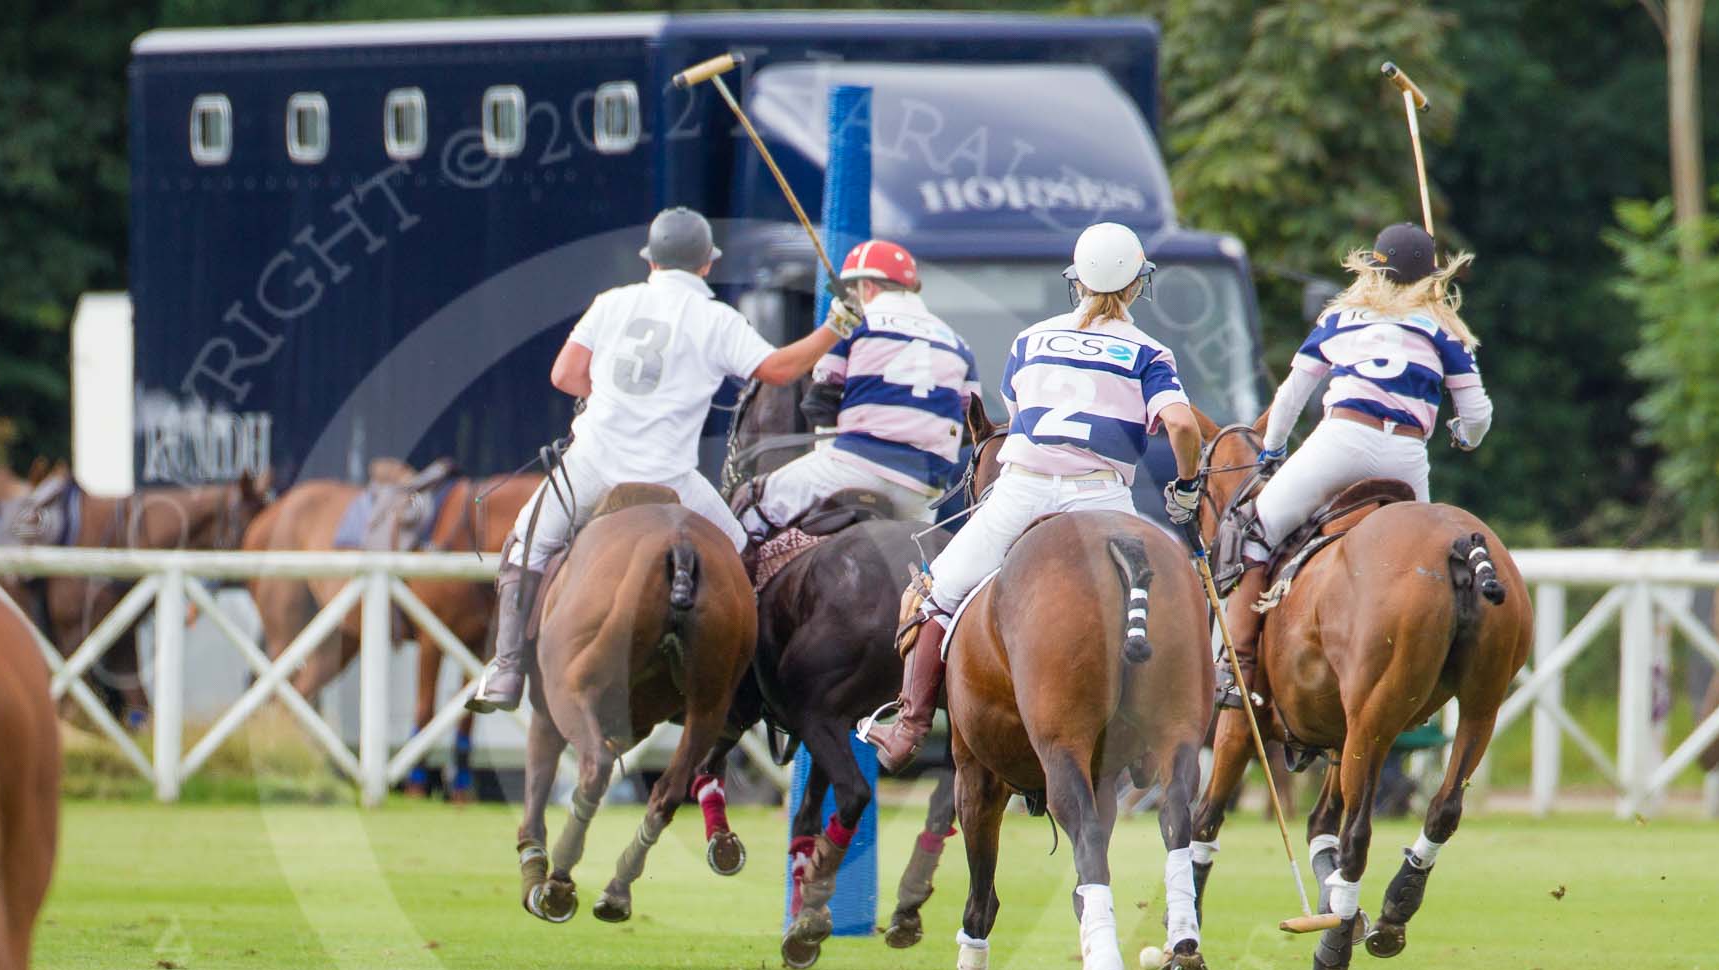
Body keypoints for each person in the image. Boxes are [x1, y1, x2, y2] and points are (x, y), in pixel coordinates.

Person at [467, 207, 862, 714]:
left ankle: (504, 670)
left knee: (526, 544)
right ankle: (751, 680)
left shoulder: (611, 303)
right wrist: (835, 326)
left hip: (592, 463)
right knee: (743, 553)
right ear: (705, 266)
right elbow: (778, 370)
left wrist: (606, 398)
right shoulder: (717, 318)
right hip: (671, 478)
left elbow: (565, 374)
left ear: (651, 262)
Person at [860, 222, 1204, 772]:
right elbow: (1183, 427)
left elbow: (1019, 422)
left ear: (1077, 281)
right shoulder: (1150, 352)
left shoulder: (1031, 340)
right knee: (1177, 597)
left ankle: (909, 725)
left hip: (1022, 489)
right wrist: (1186, 488)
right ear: (1139, 285)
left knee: (935, 595)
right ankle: (1163, 722)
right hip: (1102, 498)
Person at [1217, 223, 1491, 708]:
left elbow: (1291, 395)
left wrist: (1273, 450)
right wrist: (1462, 438)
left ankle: (1235, 668)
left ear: (1372, 270)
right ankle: (1442, 666)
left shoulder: (1341, 319)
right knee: (1429, 565)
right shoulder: (1446, 329)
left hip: (1340, 442)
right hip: (1406, 454)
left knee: (1252, 529)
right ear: (1432, 277)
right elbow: (1476, 415)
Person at [737, 238, 979, 538]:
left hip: (856, 466)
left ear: (868, 288)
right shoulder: (959, 344)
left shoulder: (854, 324)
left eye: (851, 290)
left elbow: (821, 402)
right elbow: (970, 426)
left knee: (756, 500)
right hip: (925, 489)